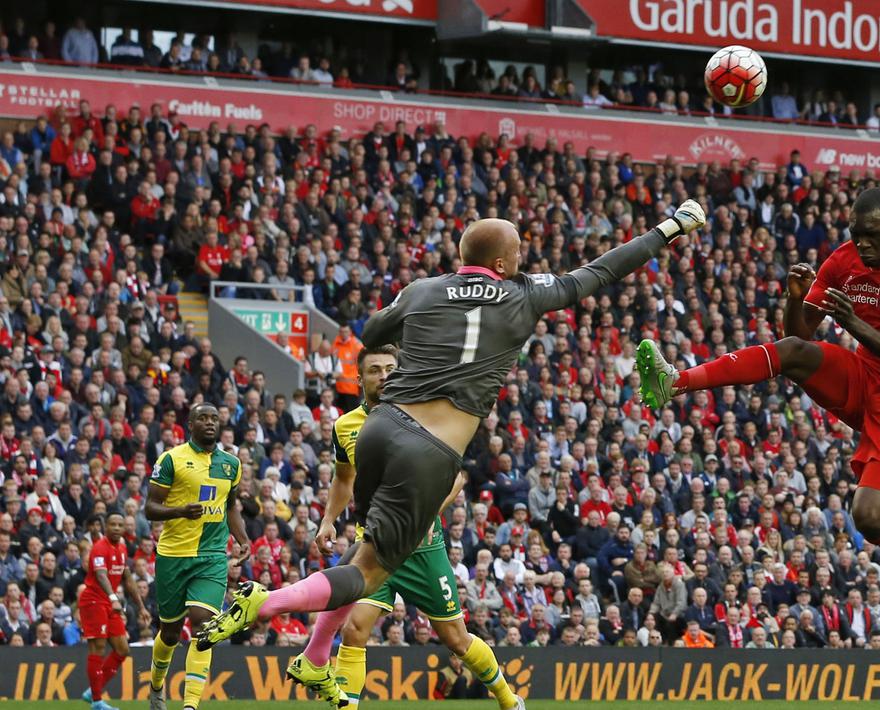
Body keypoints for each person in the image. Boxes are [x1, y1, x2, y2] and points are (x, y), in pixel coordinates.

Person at [197, 201, 708, 648]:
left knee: (370, 554)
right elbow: (601, 271)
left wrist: (416, 309)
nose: (524, 263)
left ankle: (314, 658)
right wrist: (671, 227)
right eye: (519, 256)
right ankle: (267, 603)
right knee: (367, 571)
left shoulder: (424, 288)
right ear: (504, 264)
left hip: (377, 427)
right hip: (429, 451)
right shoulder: (524, 294)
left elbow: (373, 332)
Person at [637, 187, 880, 624]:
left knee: (867, 516)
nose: (862, 242)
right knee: (791, 351)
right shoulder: (843, 262)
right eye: (855, 233)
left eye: (872, 234)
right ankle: (675, 381)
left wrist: (851, 322)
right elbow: (801, 332)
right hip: (862, 377)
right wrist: (795, 298)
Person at [286, 345, 522, 710]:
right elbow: (344, 477)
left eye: (390, 369)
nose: (383, 376)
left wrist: (419, 514)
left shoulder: (425, 416)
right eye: (375, 370)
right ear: (359, 378)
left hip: (421, 547)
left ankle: (509, 700)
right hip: (374, 547)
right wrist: (328, 519)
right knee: (354, 628)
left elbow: (456, 478)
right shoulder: (345, 426)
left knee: (456, 639)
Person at [145, 403, 250, 710]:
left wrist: (242, 539)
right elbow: (150, 507)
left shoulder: (231, 463)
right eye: (202, 418)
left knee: (204, 624)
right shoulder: (171, 459)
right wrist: (179, 511)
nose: (209, 423)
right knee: (170, 632)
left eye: (214, 419)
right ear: (189, 424)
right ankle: (156, 685)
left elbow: (230, 505)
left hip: (212, 556)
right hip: (173, 556)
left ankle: (190, 705)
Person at [79, 512, 143, 710]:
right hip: (94, 601)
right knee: (97, 648)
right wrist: (114, 597)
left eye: (119, 525)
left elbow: (129, 579)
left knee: (123, 649)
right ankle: (97, 702)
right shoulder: (99, 548)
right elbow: (100, 575)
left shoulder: (122, 548)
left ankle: (92, 691)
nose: (116, 528)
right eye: (112, 524)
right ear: (106, 527)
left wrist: (140, 606)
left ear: (124, 528)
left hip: (108, 603)